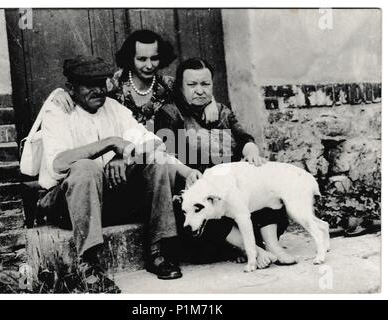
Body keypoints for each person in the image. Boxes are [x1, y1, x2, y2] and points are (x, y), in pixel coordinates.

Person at [37, 55, 202, 289]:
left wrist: (123, 157)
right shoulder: (58, 111)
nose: (98, 90)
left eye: (102, 82)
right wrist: (111, 143)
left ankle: (158, 251)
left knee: (157, 163)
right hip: (65, 203)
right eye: (89, 84)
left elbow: (156, 143)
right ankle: (88, 264)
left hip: (107, 200)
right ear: (71, 88)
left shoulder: (114, 108)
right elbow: (58, 164)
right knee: (86, 166)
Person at [155, 58, 297, 267]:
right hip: (196, 184)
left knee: (266, 187)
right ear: (180, 87)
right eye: (192, 85)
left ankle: (273, 245)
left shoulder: (222, 111)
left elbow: (244, 139)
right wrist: (187, 172)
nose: (200, 91)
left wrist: (252, 153)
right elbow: (163, 154)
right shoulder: (169, 113)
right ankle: (253, 249)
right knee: (200, 212)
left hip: (231, 189)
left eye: (205, 84)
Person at [50, 29, 219, 127]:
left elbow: (196, 92)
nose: (149, 65)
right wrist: (59, 94)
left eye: (154, 58)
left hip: (163, 155)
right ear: (130, 58)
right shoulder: (113, 83)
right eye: (141, 59)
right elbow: (83, 94)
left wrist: (211, 102)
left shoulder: (168, 84)